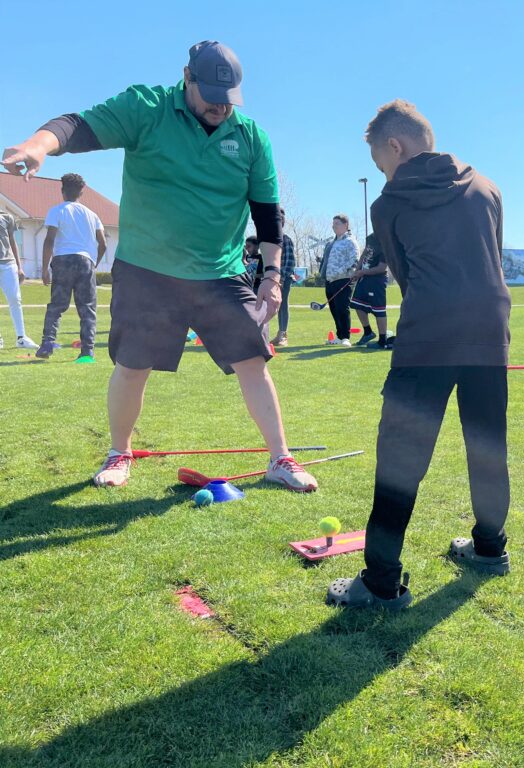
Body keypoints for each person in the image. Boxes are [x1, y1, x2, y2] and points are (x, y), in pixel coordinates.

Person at [1, 39, 317, 492]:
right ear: (187, 78)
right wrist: (38, 146)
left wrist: (272, 275)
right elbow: (78, 125)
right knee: (133, 366)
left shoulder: (250, 137)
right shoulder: (146, 108)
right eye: (211, 95)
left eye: (228, 99)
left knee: (253, 360)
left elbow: (268, 214)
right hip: (147, 269)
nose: (220, 107)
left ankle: (280, 459)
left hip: (220, 271)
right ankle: (119, 452)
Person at [327, 99, 511, 610]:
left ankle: (381, 582)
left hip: (428, 336)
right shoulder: (487, 187)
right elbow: (491, 260)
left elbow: (405, 278)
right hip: (488, 332)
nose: (382, 174)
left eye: (379, 163)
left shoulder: (389, 202)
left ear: (395, 146)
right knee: (487, 447)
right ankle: (490, 548)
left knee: (400, 460)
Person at [35, 173, 105, 362]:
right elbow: (103, 244)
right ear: (82, 192)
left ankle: (47, 346)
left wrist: (44, 269)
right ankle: (87, 352)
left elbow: (49, 240)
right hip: (86, 262)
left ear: (62, 191)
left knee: (57, 306)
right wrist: (93, 264)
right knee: (87, 308)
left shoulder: (57, 211)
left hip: (63, 261)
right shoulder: (92, 215)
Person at [318, 214, 360, 347]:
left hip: (344, 279)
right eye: (333, 224)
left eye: (337, 224)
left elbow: (355, 261)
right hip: (330, 280)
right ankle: (339, 336)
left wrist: (341, 272)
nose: (333, 226)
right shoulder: (332, 242)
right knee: (334, 309)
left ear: (345, 225)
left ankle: (346, 337)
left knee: (342, 308)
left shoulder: (350, 241)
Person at [0, 209, 38, 350]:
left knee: (15, 299)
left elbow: (12, 241)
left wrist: (19, 267)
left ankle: (21, 338)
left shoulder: (7, 216)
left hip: (8, 264)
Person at [350, 232, 392, 349]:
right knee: (357, 304)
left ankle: (382, 340)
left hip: (377, 280)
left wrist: (362, 272)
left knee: (379, 309)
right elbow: (364, 254)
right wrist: (357, 271)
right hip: (364, 278)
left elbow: (381, 268)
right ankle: (368, 332)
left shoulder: (386, 242)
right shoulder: (371, 238)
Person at [270, 208, 295, 346]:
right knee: (276, 306)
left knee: (283, 305)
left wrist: (281, 279)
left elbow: (289, 262)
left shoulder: (286, 240)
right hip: (272, 278)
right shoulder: (270, 240)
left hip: (283, 278)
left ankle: (283, 334)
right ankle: (279, 333)